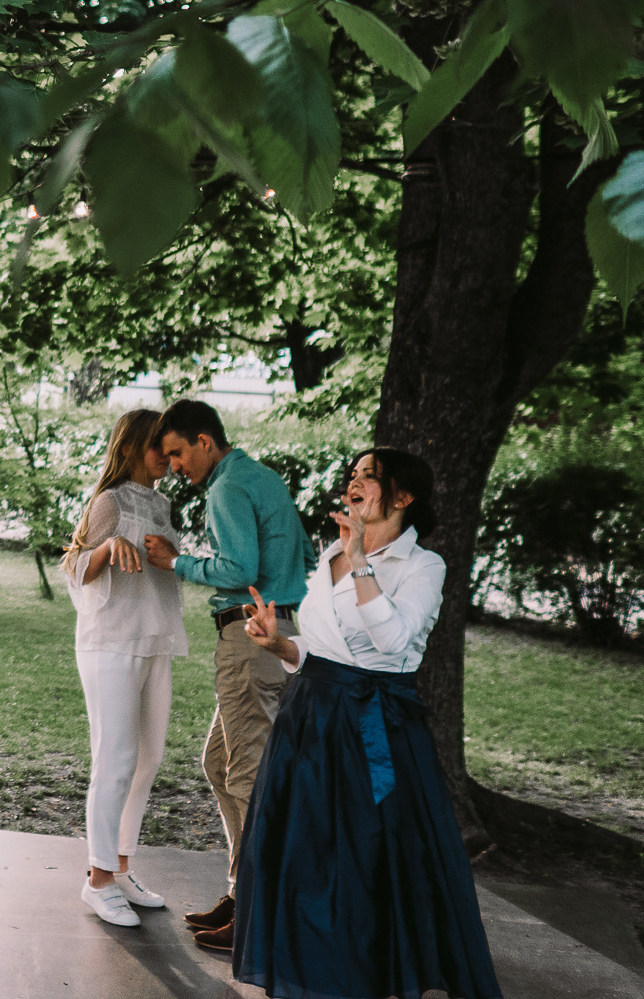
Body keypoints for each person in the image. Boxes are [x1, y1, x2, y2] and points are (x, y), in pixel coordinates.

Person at [234, 449, 502, 999]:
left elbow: (393, 643)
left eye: (369, 477)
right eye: (352, 475)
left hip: (374, 726)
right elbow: (326, 647)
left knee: (368, 850)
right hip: (308, 718)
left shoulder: (424, 566)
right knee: (302, 847)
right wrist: (279, 642)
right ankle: (309, 969)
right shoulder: (329, 551)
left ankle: (366, 973)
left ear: (403, 498)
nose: (354, 483)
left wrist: (360, 562)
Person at [143, 399, 314, 951]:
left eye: (177, 453)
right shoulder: (260, 476)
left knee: (247, 776)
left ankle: (259, 916)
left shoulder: (225, 486)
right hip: (273, 630)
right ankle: (244, 893)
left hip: (250, 638)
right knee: (219, 763)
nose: (173, 466)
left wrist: (177, 561)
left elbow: (240, 568)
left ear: (204, 442)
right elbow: (303, 554)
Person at [61, 409, 189, 928]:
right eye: (161, 445)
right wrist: (107, 546)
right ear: (136, 445)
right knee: (114, 760)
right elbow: (72, 565)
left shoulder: (161, 503)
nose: (169, 455)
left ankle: (121, 866)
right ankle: (97, 881)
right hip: (110, 643)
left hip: (154, 640)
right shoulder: (108, 501)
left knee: (148, 758)